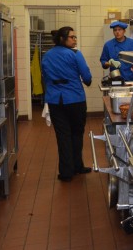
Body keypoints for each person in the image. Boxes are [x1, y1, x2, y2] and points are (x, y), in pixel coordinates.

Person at [41, 26, 93, 182]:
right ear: (62, 39)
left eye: (75, 37)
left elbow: (46, 77)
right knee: (77, 134)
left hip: (55, 101)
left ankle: (66, 172)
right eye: (72, 37)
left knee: (63, 136)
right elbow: (87, 77)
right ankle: (78, 166)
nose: (75, 40)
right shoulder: (75, 54)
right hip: (75, 99)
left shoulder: (47, 56)